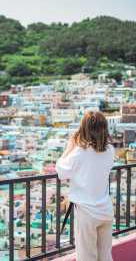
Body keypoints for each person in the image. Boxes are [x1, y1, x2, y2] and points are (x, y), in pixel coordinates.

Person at [56, 111, 115, 261]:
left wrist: (70, 147)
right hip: (106, 210)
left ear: (84, 129)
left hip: (87, 212)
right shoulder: (110, 150)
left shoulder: (80, 152)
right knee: (105, 256)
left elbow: (61, 171)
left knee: (87, 257)